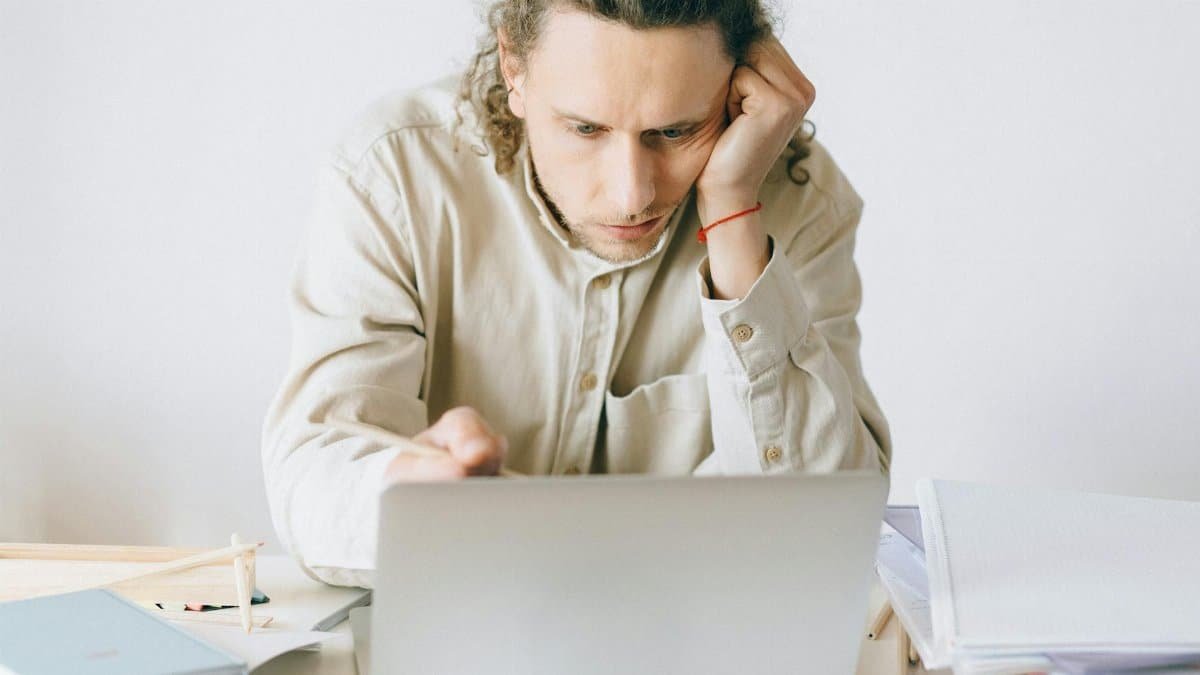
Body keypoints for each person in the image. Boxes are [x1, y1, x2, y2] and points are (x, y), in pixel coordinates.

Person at [262, 0, 891, 588]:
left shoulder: (799, 203)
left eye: (675, 132)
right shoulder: (395, 175)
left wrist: (731, 214)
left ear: (737, 88)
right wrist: (408, 496)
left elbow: (823, 528)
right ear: (514, 67)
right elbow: (312, 478)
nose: (630, 195)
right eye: (586, 128)